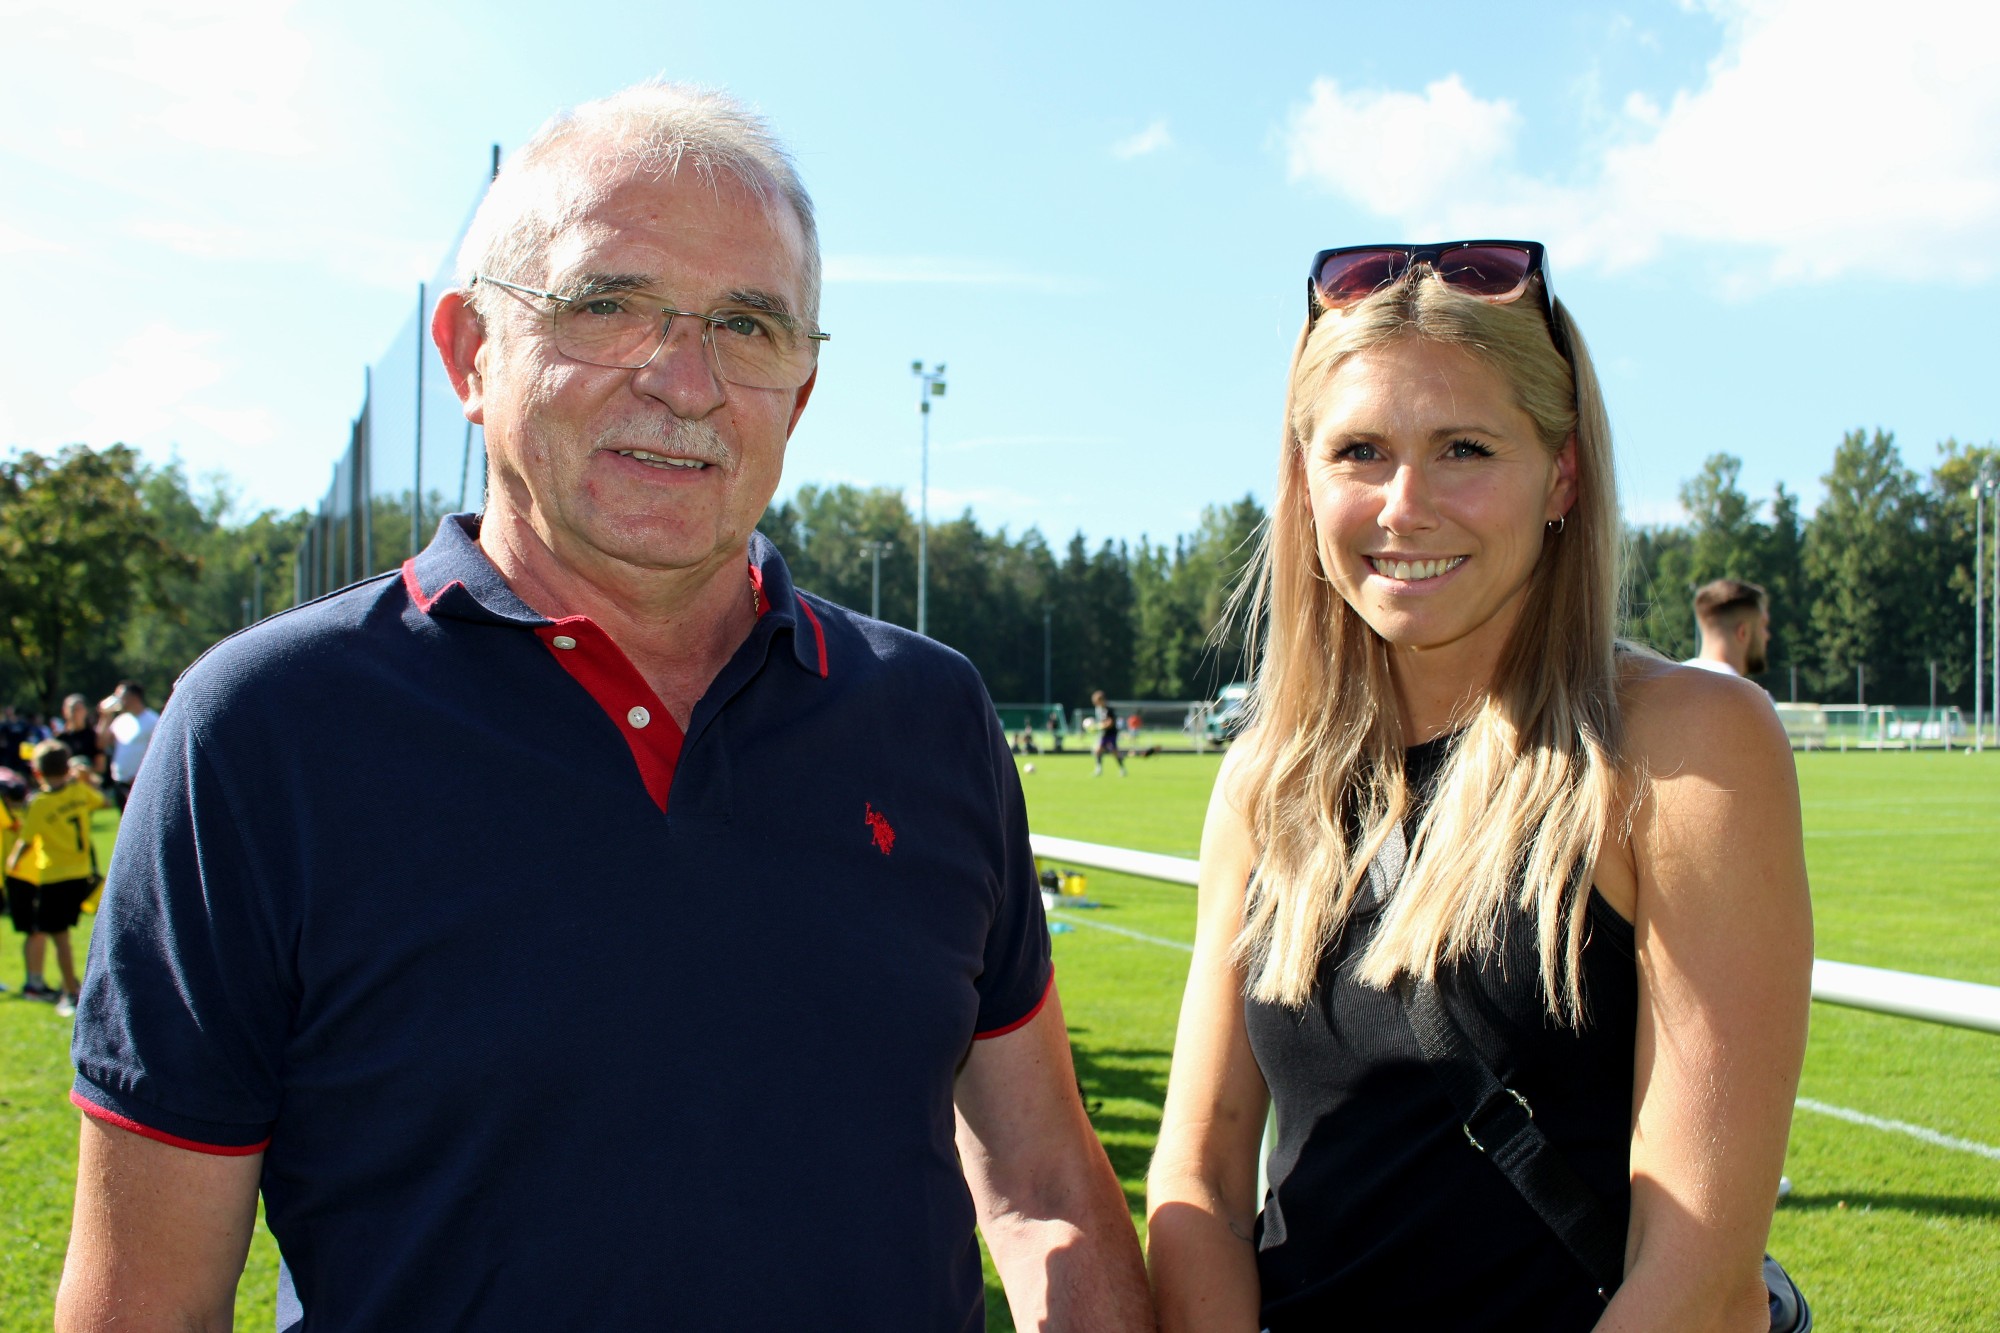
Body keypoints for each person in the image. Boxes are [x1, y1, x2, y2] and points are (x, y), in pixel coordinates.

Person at [59, 82, 1148, 1333]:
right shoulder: (263, 732)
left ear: (798, 393)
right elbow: (146, 1303)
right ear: (471, 353)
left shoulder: (929, 713)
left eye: (746, 324)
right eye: (606, 305)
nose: (684, 380)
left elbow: (1042, 1183)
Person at [1146, 241, 1812, 1330]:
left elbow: (1697, 1268)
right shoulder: (1267, 781)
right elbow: (1201, 1175)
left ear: (1561, 474)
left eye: (1463, 448)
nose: (1404, 506)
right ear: (1305, 481)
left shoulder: (1683, 748)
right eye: (1359, 451)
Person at [5, 739, 104, 1016]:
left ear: (37, 772)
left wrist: (12, 863)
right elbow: (103, 800)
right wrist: (83, 779)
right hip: (83, 872)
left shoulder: (40, 803)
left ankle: (71, 992)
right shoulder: (78, 792)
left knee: (60, 938)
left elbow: (26, 840)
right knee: (97, 928)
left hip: (54, 877)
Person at [1683, 578, 1771, 678]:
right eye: (1763, 626)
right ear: (1743, 632)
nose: (1767, 636)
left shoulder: (1673, 678)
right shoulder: (1738, 687)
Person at [94, 680, 158, 808]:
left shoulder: (153, 720)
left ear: (134, 697)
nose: (118, 700)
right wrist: (105, 716)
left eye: (121, 696)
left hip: (142, 783)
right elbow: (101, 743)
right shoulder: (120, 720)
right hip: (120, 781)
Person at [55, 693, 106, 783]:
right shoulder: (60, 739)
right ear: (64, 712)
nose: (75, 713)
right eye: (72, 709)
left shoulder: (94, 736)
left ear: (85, 711)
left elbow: (101, 767)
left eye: (79, 709)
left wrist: (84, 771)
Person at [1090, 689, 1126, 776]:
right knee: (1098, 750)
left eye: (1096, 701)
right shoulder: (1099, 710)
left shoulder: (1109, 710)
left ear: (1102, 700)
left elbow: (1110, 723)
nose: (1095, 703)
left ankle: (1122, 769)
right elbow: (1102, 722)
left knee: (1114, 752)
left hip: (1111, 734)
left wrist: (1098, 727)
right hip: (1104, 734)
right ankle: (1098, 769)